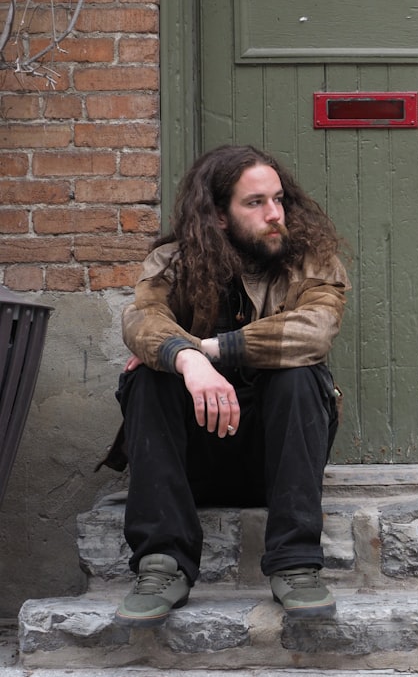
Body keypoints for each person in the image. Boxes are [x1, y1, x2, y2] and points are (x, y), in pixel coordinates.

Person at [106, 144, 350, 627]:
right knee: (148, 379)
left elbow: (314, 331)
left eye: (278, 199)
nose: (275, 214)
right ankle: (163, 563)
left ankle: (296, 564)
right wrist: (184, 361)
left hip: (276, 459)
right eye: (255, 203)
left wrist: (206, 350)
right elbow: (141, 320)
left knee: (300, 374)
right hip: (195, 461)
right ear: (218, 216)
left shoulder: (312, 262)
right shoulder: (171, 262)